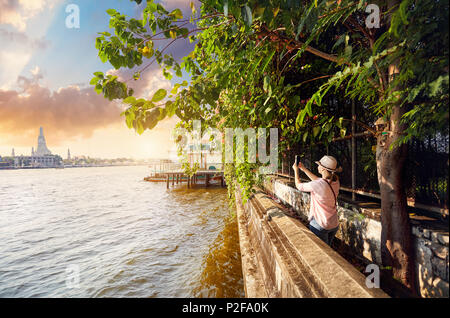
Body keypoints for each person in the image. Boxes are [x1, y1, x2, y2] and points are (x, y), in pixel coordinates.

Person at [292, 155, 342, 246]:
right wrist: (303, 169)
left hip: (320, 224)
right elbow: (319, 181)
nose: (317, 166)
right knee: (328, 250)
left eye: (319, 165)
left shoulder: (318, 184)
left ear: (323, 169)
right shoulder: (336, 182)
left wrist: (296, 170)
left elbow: (298, 185)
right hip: (333, 224)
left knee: (323, 253)